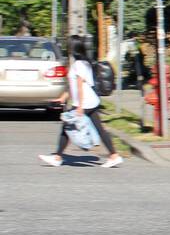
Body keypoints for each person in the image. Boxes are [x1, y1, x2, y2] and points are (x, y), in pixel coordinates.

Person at [38, 37, 122, 168]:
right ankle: (114, 156)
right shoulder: (82, 63)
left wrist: (80, 107)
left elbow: (80, 86)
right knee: (99, 129)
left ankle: (57, 157)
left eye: (69, 46)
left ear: (74, 48)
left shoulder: (79, 65)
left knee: (67, 127)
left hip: (85, 102)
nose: (68, 48)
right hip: (90, 101)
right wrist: (63, 97)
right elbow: (73, 86)